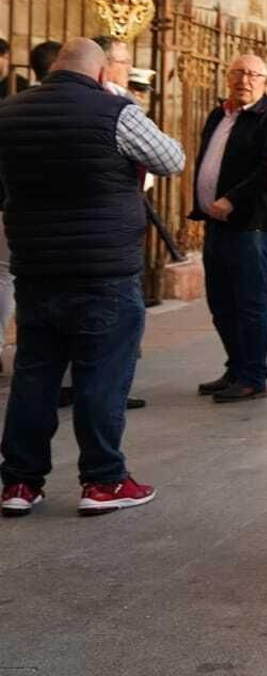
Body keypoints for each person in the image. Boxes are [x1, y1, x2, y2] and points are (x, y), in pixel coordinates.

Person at [0, 38, 185, 518]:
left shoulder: (10, 112)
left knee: (34, 376)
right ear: (102, 73)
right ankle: (103, 481)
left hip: (37, 268)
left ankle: (20, 482)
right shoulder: (115, 112)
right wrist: (125, 106)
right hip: (103, 271)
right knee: (101, 376)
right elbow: (171, 160)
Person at [189, 53, 267, 404]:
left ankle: (254, 376)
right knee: (221, 301)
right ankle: (236, 367)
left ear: (265, 83)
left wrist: (231, 199)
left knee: (250, 302)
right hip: (215, 223)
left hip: (249, 226)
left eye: (253, 74)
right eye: (238, 72)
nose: (245, 79)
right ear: (228, 77)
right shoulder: (219, 114)